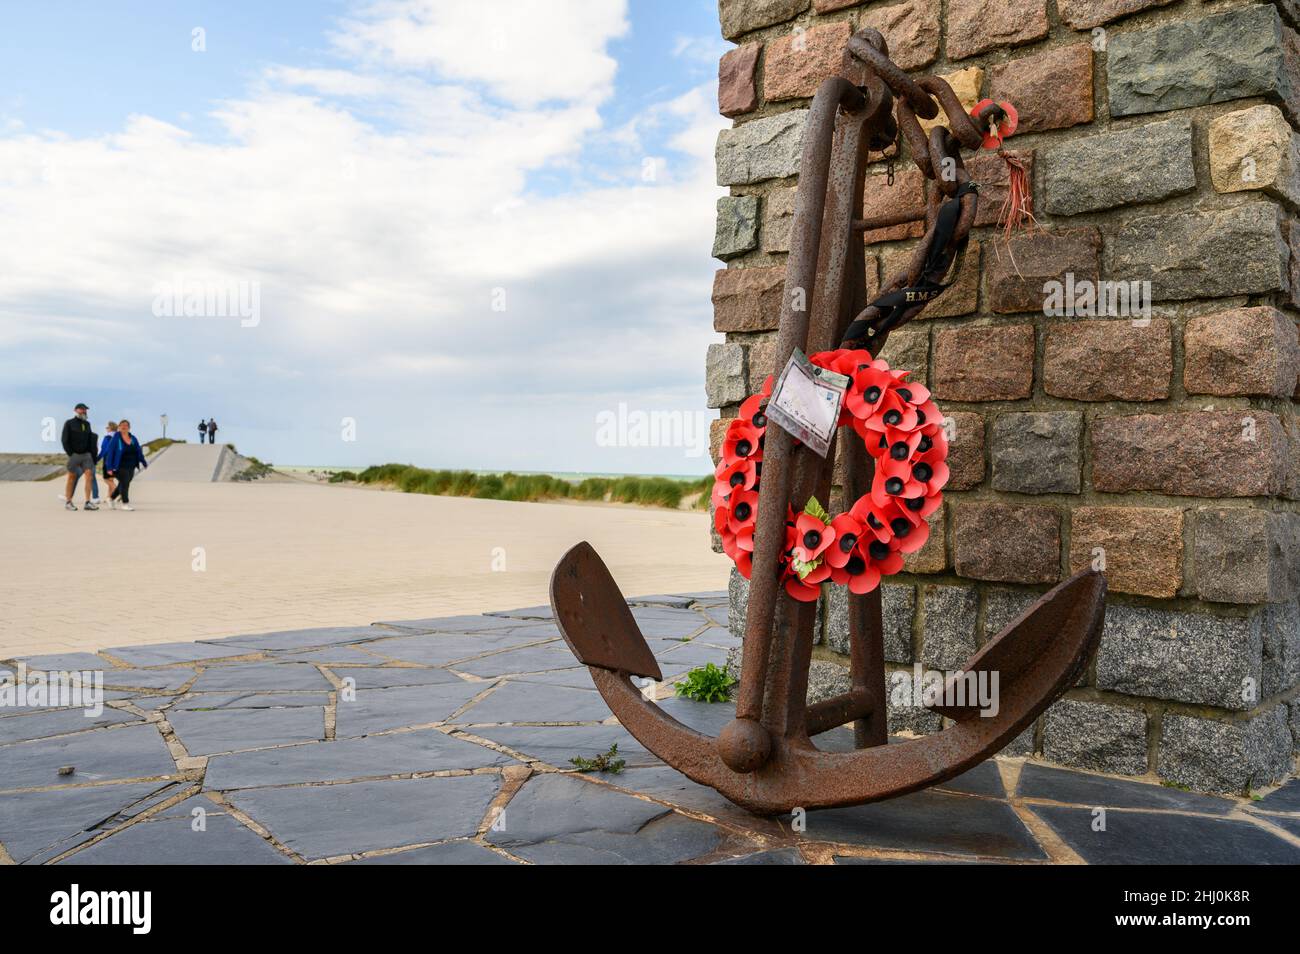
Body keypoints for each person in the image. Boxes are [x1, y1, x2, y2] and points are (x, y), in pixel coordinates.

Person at [59, 402, 98, 511]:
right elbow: (64, 440)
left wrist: (92, 454)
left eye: (85, 409)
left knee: (89, 476)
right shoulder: (69, 423)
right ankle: (68, 502)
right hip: (74, 455)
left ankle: (87, 502)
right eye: (81, 409)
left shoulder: (87, 424)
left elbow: (90, 439)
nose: (84, 411)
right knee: (71, 477)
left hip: (87, 455)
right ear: (76, 410)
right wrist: (71, 454)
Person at [104, 420, 148, 511]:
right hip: (119, 465)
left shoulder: (133, 438)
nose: (124, 427)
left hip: (131, 465)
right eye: (122, 425)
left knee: (124, 483)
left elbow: (138, 451)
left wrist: (143, 462)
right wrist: (109, 467)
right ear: (119, 427)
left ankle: (111, 498)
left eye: (126, 425)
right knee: (125, 483)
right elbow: (110, 453)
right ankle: (125, 503)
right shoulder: (116, 438)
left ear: (129, 427)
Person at [99, 421, 118, 503]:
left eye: (107, 427)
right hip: (116, 460)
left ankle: (118, 492)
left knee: (106, 479)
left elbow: (104, 450)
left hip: (108, 460)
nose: (106, 429)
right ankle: (109, 497)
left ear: (110, 428)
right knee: (111, 479)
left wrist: (97, 459)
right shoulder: (118, 437)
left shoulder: (107, 437)